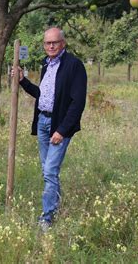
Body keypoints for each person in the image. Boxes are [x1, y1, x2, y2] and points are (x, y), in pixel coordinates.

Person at [13, 27, 87, 231]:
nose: (51, 46)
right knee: (48, 171)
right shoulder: (47, 65)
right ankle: (56, 207)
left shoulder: (74, 66)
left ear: (63, 43)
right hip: (44, 123)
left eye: (55, 42)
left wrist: (62, 130)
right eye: (47, 43)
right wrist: (23, 81)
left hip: (59, 127)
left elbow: (77, 102)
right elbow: (42, 95)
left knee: (49, 171)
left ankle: (47, 218)